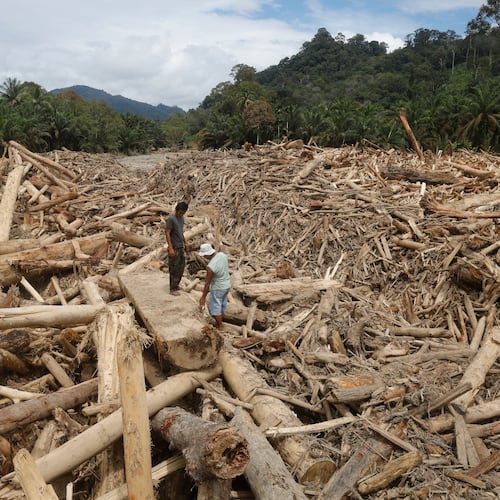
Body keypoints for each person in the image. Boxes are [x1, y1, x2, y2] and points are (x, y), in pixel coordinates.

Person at [198, 243, 231, 331]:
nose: (204, 257)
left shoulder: (210, 267)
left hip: (218, 287)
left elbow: (207, 284)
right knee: (222, 305)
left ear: (207, 254)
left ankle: (220, 326)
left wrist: (203, 297)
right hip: (227, 285)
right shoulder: (222, 255)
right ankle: (221, 322)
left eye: (205, 255)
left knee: (215, 307)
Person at [165, 201, 188, 295]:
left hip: (180, 246)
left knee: (181, 267)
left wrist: (185, 242)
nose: (181, 214)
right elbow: (167, 233)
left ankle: (176, 284)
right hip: (174, 246)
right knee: (174, 268)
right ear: (177, 210)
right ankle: (172, 288)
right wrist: (170, 248)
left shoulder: (181, 219)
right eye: (180, 212)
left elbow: (180, 232)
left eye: (183, 213)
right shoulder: (171, 219)